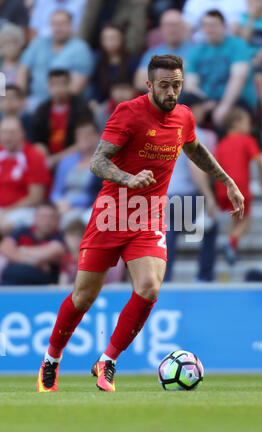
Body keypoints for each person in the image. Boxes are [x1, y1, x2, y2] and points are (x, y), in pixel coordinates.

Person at [36, 54, 244, 393]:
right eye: (164, 86)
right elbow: (97, 161)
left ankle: (109, 361)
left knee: (149, 287)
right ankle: (52, 359)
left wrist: (227, 181)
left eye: (176, 85)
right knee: (83, 296)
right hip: (110, 213)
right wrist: (127, 178)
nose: (171, 92)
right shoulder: (128, 113)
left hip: (149, 218)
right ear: (149, 85)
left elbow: (194, 149)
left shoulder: (184, 116)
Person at [165, 92, 219, 282]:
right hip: (185, 195)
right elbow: (196, 169)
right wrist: (209, 198)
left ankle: (164, 279)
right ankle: (204, 277)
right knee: (210, 226)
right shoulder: (196, 134)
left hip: (163, 197)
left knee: (169, 230)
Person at [185, 9, 257, 127]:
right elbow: (190, 85)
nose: (209, 29)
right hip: (207, 101)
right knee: (185, 103)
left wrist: (224, 106)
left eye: (213, 25)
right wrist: (207, 104)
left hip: (236, 100)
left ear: (224, 26)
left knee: (226, 119)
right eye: (206, 25)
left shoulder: (238, 45)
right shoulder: (196, 51)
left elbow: (238, 78)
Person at [214, 107, 262, 264]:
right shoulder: (247, 140)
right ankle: (231, 243)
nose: (249, 127)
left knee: (236, 216)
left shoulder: (221, 144)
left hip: (223, 187)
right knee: (246, 219)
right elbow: (258, 160)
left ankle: (232, 249)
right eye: (247, 123)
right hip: (240, 187)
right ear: (236, 123)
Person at [16, 10, 94, 112]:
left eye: (62, 24)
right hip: (34, 99)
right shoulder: (39, 43)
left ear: (71, 25)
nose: (58, 28)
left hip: (65, 104)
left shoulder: (80, 48)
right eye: (55, 24)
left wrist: (48, 108)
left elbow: (76, 88)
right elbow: (22, 70)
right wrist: (19, 97)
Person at [0, 116, 51, 237]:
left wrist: (7, 210)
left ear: (22, 133)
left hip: (24, 210)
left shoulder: (33, 156)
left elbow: (35, 197)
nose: (7, 137)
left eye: (11, 132)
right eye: (3, 132)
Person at [31, 69, 93, 166]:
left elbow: (85, 140)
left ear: (69, 85)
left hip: (76, 158)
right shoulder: (42, 110)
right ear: (48, 87)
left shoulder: (81, 107)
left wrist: (56, 159)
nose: (58, 88)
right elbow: (36, 140)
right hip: (48, 160)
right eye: (54, 84)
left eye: (62, 84)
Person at [49, 119, 102, 228]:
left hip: (90, 207)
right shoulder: (66, 162)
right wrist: (60, 203)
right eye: (80, 134)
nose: (85, 137)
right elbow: (56, 191)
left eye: (89, 133)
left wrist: (72, 202)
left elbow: (98, 193)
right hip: (63, 207)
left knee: (71, 221)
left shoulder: (104, 162)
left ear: (97, 136)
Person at [233, 0, 262, 127]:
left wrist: (256, 60)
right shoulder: (243, 18)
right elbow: (243, 41)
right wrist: (251, 19)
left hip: (260, 58)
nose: (255, 3)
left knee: (259, 79)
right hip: (243, 58)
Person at [0, 202, 65, 285]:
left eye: (51, 217)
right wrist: (33, 262)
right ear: (35, 217)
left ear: (58, 220)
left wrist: (18, 250)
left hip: (41, 286)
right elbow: (4, 248)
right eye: (43, 216)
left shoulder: (61, 236)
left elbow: (52, 252)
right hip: (9, 282)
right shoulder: (23, 230)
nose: (47, 220)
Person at [134, 9, 194, 93]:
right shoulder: (152, 53)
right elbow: (139, 82)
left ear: (183, 28)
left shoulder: (195, 51)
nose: (172, 29)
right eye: (168, 25)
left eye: (175, 25)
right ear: (161, 29)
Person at [90, 24, 140, 103]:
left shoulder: (132, 61)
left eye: (113, 38)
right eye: (106, 38)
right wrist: (94, 102)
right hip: (105, 103)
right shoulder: (97, 60)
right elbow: (96, 87)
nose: (110, 42)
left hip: (129, 100)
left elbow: (136, 86)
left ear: (122, 39)